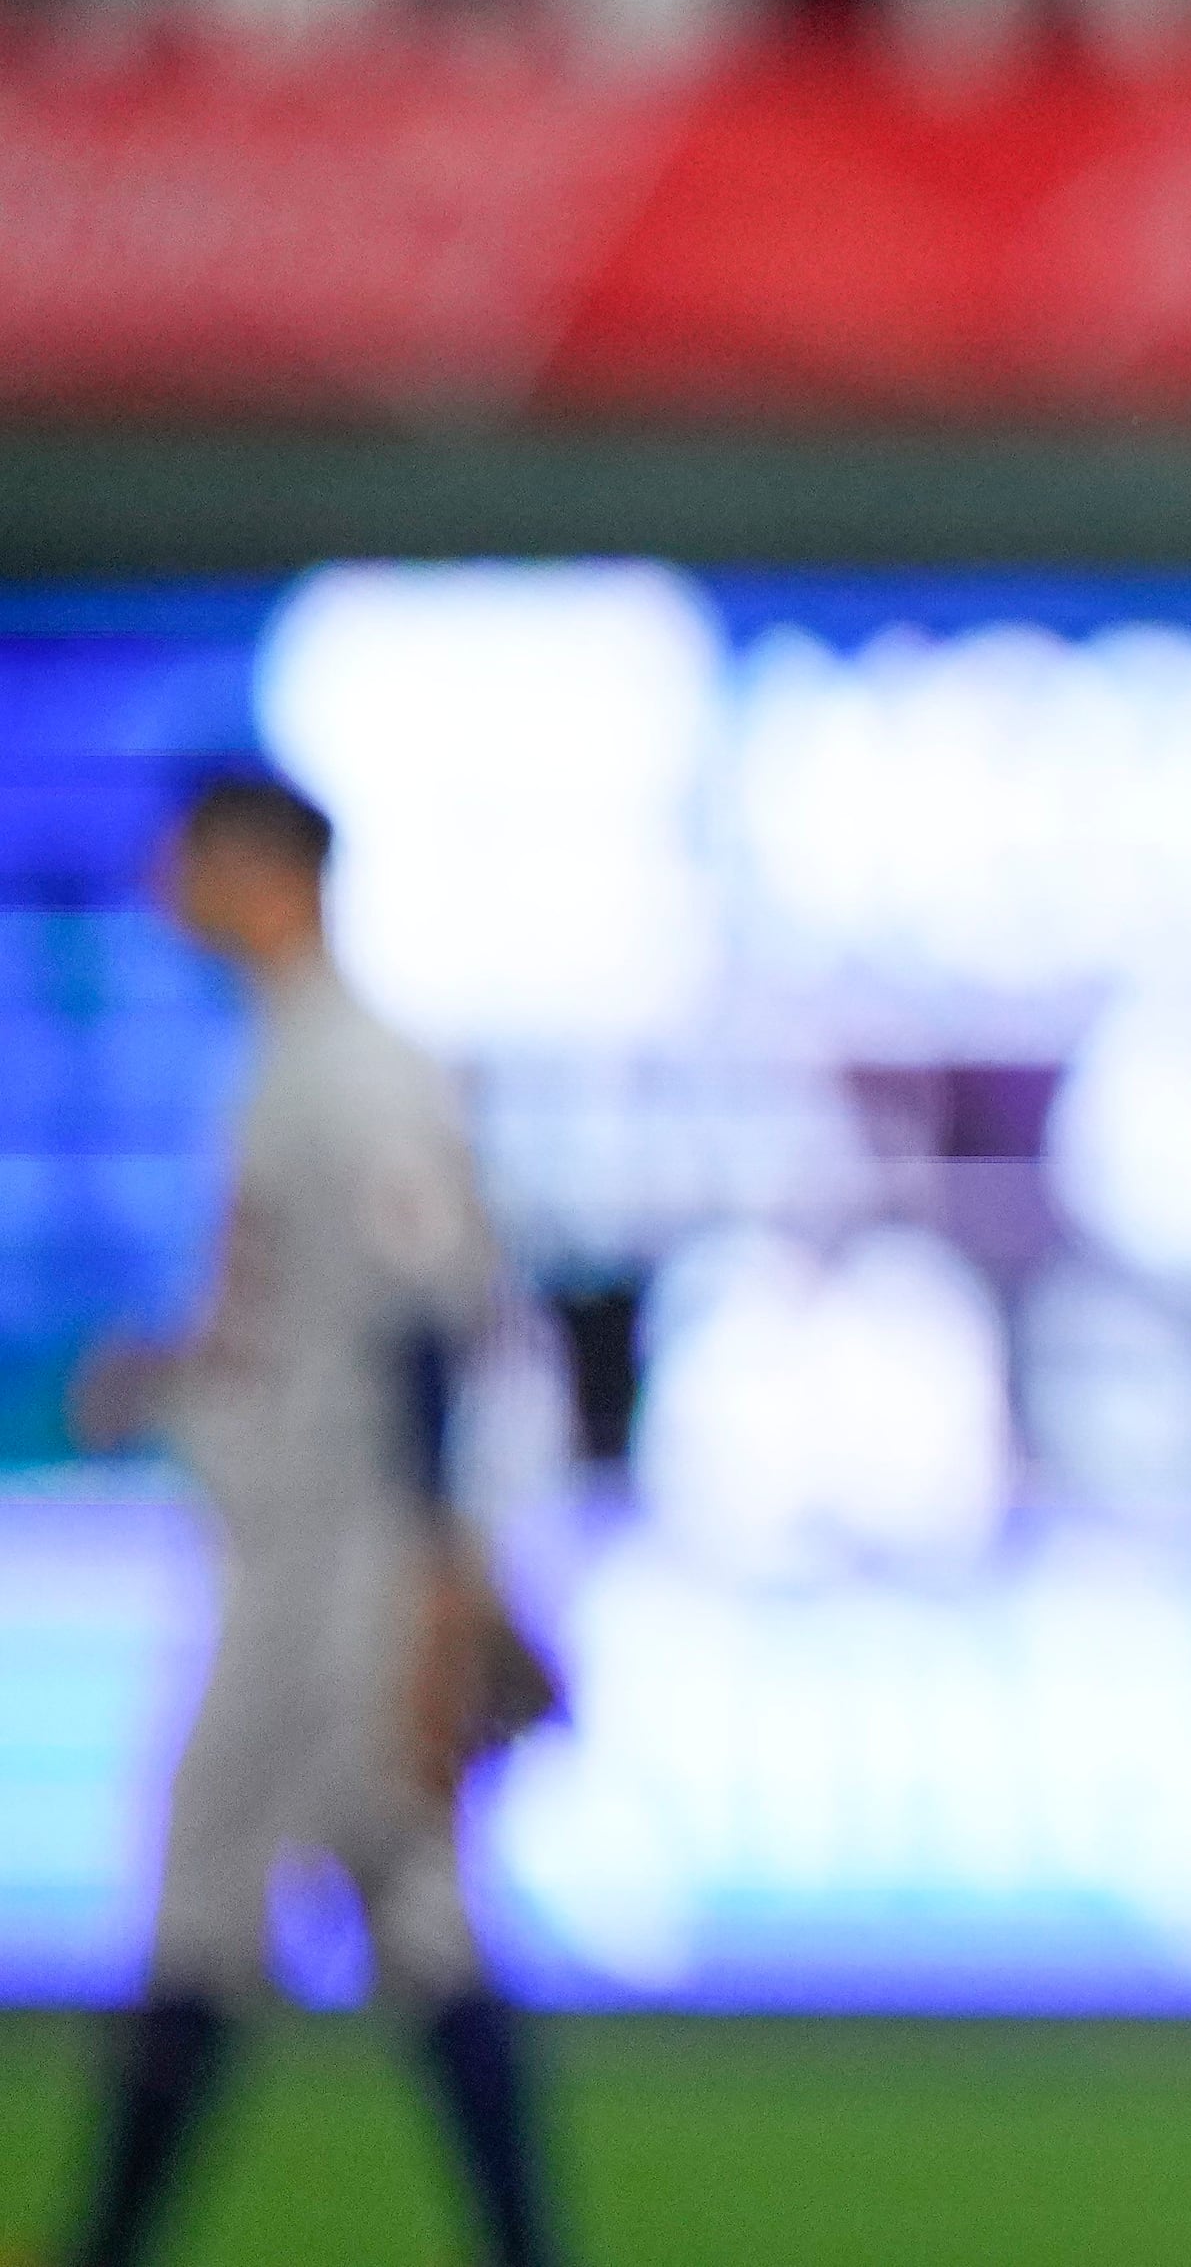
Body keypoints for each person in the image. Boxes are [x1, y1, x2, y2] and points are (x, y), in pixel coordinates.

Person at [55, 773, 564, 2267]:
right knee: (407, 1917)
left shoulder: (354, 1068)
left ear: (258, 864)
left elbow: (432, 1326)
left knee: (221, 1899)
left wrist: (447, 1583)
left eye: (190, 852)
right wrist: (170, 1373)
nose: (166, 879)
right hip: (312, 1550)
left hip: (344, 1573)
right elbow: (319, 1326)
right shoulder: (291, 1057)